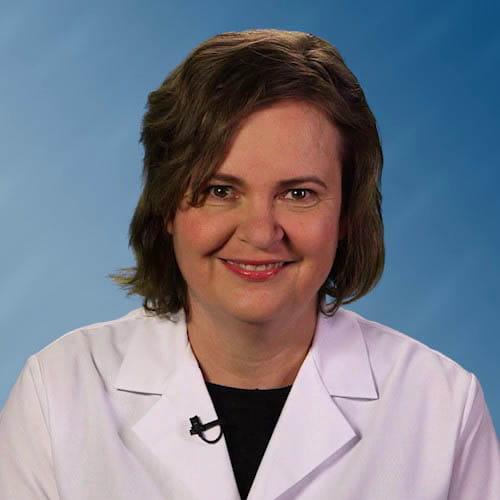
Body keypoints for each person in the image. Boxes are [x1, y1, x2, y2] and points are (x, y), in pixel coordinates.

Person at [0, 28, 498, 500]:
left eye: (299, 194)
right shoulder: (60, 391)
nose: (261, 233)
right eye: (220, 190)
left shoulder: (439, 406)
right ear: (166, 206)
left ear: (348, 213)